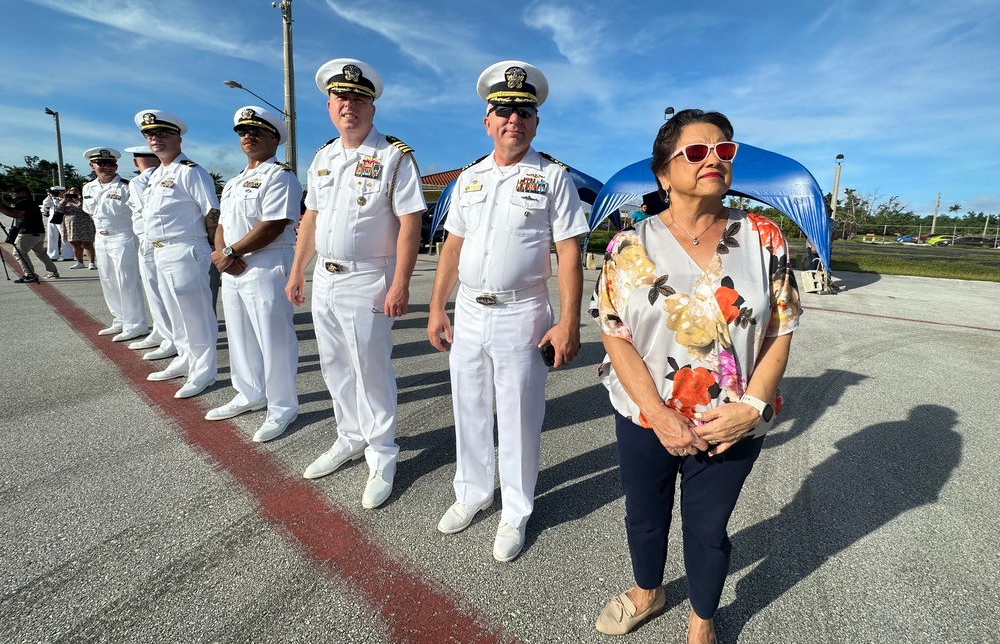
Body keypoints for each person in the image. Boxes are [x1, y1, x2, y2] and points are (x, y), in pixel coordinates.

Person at [590, 109, 801, 642]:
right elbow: (615, 333)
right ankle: (647, 592)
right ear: (663, 173)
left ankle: (702, 618)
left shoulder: (762, 236)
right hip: (646, 415)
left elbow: (781, 327)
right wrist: (657, 413)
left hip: (730, 420)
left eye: (724, 151)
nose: (715, 158)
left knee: (707, 530)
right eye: (697, 151)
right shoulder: (626, 247)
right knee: (644, 516)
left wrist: (751, 408)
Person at [426, 61, 588, 563]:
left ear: (535, 123)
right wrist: (436, 307)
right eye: (503, 110)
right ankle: (473, 492)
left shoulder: (553, 177)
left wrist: (568, 321)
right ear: (487, 121)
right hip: (470, 309)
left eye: (523, 111)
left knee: (519, 415)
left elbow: (569, 252)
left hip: (523, 313)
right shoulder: (468, 179)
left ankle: (516, 510)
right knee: (468, 405)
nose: (512, 119)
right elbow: (452, 247)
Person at [287, 58, 425, 509]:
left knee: (370, 368)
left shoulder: (393, 156)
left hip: (369, 277)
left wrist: (400, 283)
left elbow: (410, 223)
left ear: (372, 106)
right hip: (325, 277)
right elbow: (311, 217)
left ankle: (382, 452)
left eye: (359, 98)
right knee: (334, 365)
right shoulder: (323, 157)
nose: (350, 105)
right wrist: (296, 270)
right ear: (329, 105)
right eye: (341, 97)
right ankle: (349, 435)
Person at [207, 106, 302, 443]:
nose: (248, 136)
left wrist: (231, 252)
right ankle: (249, 393)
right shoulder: (233, 182)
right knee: (240, 335)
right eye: (243, 131)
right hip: (233, 267)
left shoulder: (281, 176)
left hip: (266, 264)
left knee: (273, 339)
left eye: (257, 131)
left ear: (274, 139)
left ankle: (282, 406)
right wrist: (222, 254)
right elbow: (221, 224)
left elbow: (275, 224)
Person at [136, 110, 220, 399]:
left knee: (196, 315)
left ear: (178, 138)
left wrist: (213, 248)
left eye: (162, 133)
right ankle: (185, 359)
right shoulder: (157, 174)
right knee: (176, 314)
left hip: (186, 248)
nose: (155, 138)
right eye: (149, 135)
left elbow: (212, 212)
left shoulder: (191, 171)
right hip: (160, 250)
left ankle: (204, 371)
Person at [81, 147, 149, 341]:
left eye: (111, 164)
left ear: (116, 166)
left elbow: (140, 212)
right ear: (92, 165)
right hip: (101, 237)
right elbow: (90, 211)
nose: (106, 167)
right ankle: (119, 319)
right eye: (101, 164)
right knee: (108, 279)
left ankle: (136, 323)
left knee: (127, 281)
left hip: (124, 236)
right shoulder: (88, 187)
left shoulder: (127, 187)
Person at [123, 143, 177, 360]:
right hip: (157, 239)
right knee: (157, 291)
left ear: (136, 162)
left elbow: (146, 212)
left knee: (157, 291)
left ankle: (169, 338)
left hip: (151, 239)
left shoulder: (139, 181)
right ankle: (160, 331)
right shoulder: (164, 175)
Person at [0, 184, 60, 283]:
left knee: (19, 253)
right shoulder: (29, 202)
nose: (11, 194)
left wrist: (1, 209)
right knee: (40, 253)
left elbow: (16, 214)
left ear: (23, 193)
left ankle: (30, 275)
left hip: (27, 232)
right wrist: (2, 205)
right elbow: (13, 210)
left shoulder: (22, 202)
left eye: (14, 192)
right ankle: (53, 271)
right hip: (38, 231)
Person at [56, 187, 97, 269]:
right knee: (75, 244)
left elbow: (89, 209)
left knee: (87, 243)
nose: (73, 192)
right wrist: (64, 200)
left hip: (85, 224)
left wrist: (81, 199)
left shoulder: (84, 200)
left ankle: (91, 263)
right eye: (71, 190)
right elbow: (59, 210)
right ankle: (80, 262)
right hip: (71, 225)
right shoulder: (66, 201)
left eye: (76, 190)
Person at [42, 186, 74, 261]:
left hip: (62, 218)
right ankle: (52, 255)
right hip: (52, 218)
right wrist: (50, 196)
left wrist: (60, 197)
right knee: (51, 237)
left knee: (64, 237)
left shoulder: (67, 198)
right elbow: (45, 204)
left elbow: (61, 205)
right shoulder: (51, 198)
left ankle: (68, 255)